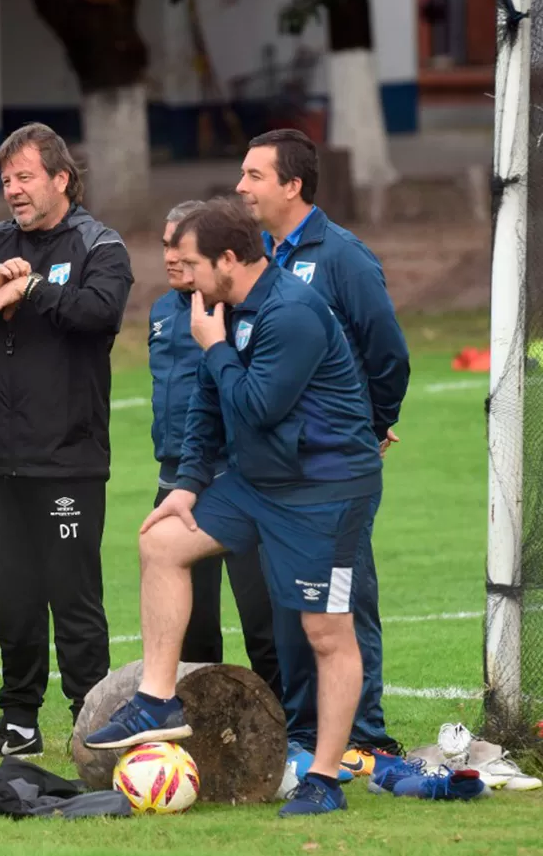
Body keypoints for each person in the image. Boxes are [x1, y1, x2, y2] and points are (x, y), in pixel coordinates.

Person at [84, 197, 383, 819]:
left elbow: (258, 407)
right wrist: (188, 483)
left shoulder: (292, 313)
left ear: (228, 258)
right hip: (260, 481)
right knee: (162, 540)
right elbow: (209, 402)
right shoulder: (221, 308)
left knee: (325, 632)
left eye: (192, 261)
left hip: (323, 490)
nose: (183, 273)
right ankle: (158, 699)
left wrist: (215, 346)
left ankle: (325, 777)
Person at [0, 122, 133, 760]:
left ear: (61, 178)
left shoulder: (101, 244)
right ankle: (18, 721)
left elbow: (98, 313)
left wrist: (35, 288)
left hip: (69, 456)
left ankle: (90, 722)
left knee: (73, 598)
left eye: (25, 177)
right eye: (6, 180)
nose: (13, 191)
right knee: (13, 597)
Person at [234, 129, 411, 769]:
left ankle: (363, 735)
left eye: (254, 176)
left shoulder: (343, 257)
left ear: (292, 185)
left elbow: (387, 352)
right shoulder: (252, 255)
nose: (241, 187)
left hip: (333, 468)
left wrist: (370, 421)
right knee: (292, 599)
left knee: (344, 597)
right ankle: (305, 732)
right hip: (273, 466)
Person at [150, 200, 280, 696]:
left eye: (180, 248)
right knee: (190, 622)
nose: (170, 257)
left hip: (234, 477)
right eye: (165, 246)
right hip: (175, 478)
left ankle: (287, 727)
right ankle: (199, 723)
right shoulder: (164, 309)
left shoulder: (238, 308)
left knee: (261, 616)